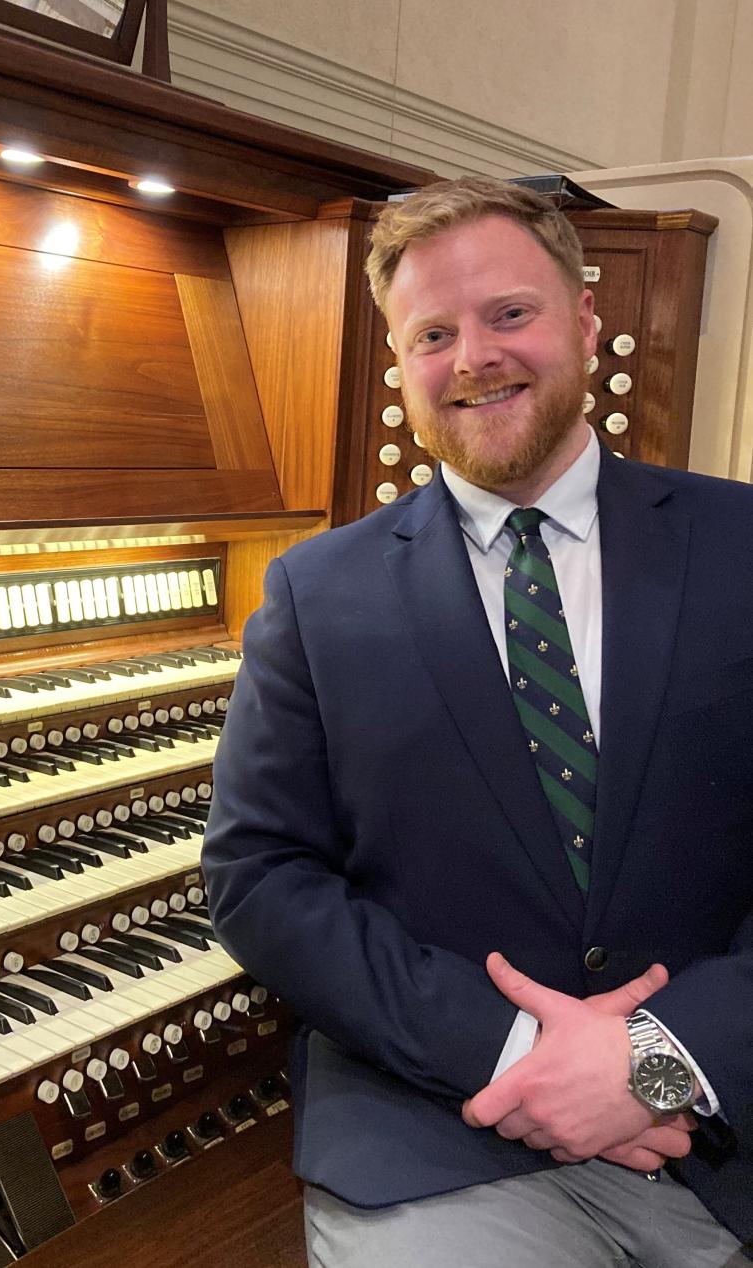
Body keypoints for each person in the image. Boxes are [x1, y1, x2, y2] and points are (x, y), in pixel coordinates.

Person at [201, 175, 752, 1267]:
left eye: (510, 314)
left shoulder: (744, 546)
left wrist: (658, 1052)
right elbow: (259, 874)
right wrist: (517, 1044)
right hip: (441, 1123)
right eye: (433, 334)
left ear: (586, 320)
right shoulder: (318, 591)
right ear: (401, 365)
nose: (474, 357)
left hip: (723, 1111)